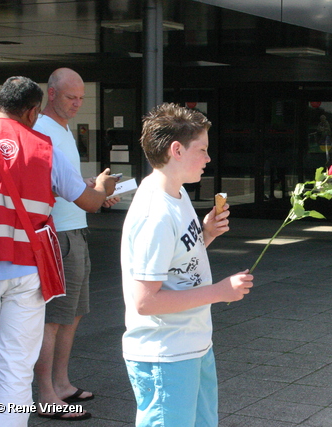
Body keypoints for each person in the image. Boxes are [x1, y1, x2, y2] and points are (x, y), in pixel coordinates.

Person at [0, 76, 117, 426]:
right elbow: (90, 202)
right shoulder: (45, 149)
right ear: (32, 112)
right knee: (15, 366)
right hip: (27, 273)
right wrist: (103, 187)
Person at [121, 103, 254, 426]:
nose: (209, 159)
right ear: (176, 150)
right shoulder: (156, 212)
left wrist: (205, 234)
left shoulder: (176, 196)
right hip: (165, 355)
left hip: (192, 346)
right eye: (203, 150)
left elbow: (176, 263)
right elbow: (145, 301)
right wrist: (219, 291)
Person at [32, 67, 119, 420]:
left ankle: (62, 384)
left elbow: (59, 181)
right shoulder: (41, 129)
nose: (78, 104)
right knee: (53, 318)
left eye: (82, 98)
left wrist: (90, 187)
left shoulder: (63, 130)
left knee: (74, 313)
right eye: (71, 97)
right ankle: (46, 394)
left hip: (76, 230)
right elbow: (41, 185)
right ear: (50, 94)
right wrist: (95, 192)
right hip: (57, 235)